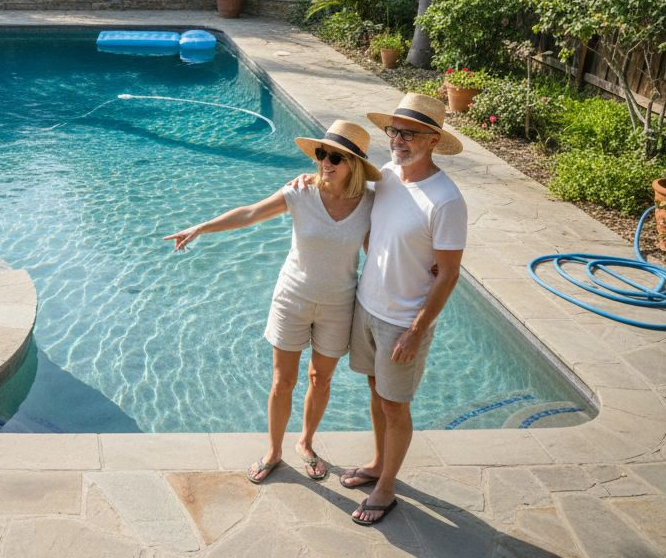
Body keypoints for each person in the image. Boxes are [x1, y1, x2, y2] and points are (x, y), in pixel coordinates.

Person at [165, 120, 380, 484]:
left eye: (335, 158)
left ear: (354, 164)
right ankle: (274, 451)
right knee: (283, 381)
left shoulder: (370, 203)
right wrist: (200, 227)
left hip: (338, 304)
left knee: (321, 379)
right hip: (292, 299)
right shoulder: (300, 192)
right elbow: (251, 213)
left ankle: (306, 444)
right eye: (322, 154)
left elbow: (379, 250)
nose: (325, 163)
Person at [339, 93, 467, 526]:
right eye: (395, 131)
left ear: (433, 140)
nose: (398, 140)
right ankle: (378, 464)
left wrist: (416, 330)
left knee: (396, 405)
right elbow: (360, 215)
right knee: (376, 392)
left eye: (410, 133)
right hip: (368, 307)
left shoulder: (446, 200)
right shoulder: (388, 176)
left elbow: (449, 274)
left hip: (403, 322)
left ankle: (388, 487)